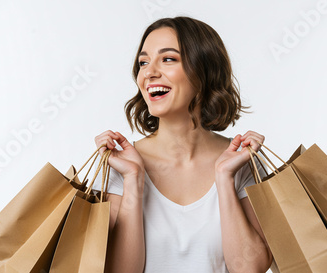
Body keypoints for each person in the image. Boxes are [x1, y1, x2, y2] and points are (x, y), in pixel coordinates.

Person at [94, 16, 272, 273]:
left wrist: (224, 177)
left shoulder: (242, 162)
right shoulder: (120, 166)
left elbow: (250, 269)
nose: (150, 72)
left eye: (168, 59)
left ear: (204, 70)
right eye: (143, 62)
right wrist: (133, 179)